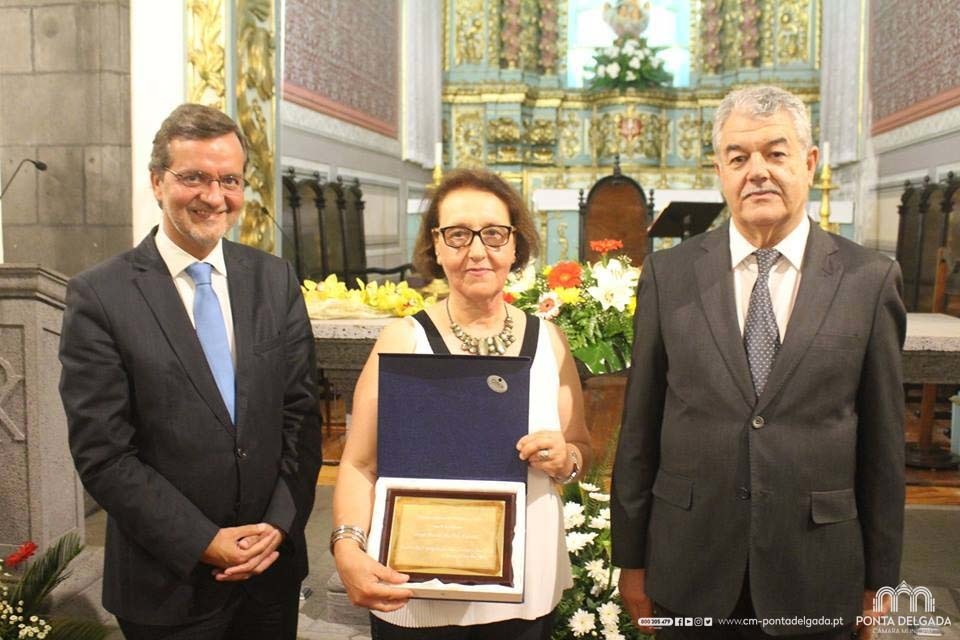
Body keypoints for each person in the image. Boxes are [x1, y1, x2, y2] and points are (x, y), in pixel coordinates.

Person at [611, 85, 906, 640]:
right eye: (739, 157)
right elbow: (640, 429)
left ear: (809, 162)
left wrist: (881, 579)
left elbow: (884, 445)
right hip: (690, 560)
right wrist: (631, 560)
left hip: (817, 567)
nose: (757, 172)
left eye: (775, 153)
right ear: (719, 170)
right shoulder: (668, 275)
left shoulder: (868, 279)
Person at [59, 103, 322, 639]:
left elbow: (300, 416)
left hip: (269, 573)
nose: (214, 196)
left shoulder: (273, 279)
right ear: (158, 181)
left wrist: (278, 524)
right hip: (167, 582)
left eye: (229, 180)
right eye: (194, 177)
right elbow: (104, 453)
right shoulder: (101, 295)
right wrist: (203, 540)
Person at [331, 168, 591, 639]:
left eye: (493, 234)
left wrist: (565, 459)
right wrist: (347, 547)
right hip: (417, 587)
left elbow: (579, 448)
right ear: (436, 244)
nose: (476, 250)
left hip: (525, 583)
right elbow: (358, 464)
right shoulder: (403, 340)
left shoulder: (549, 341)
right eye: (457, 234)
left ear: (515, 244)